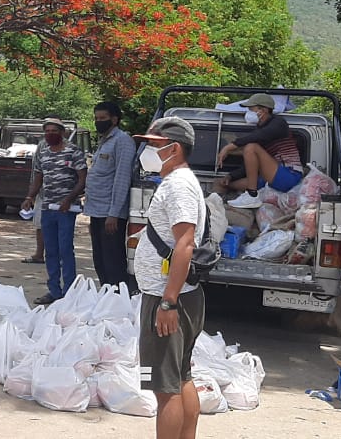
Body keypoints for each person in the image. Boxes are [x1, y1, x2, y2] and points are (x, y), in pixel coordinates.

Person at [134, 117, 206, 439]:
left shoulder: (178, 186)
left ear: (173, 149)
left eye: (154, 144)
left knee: (165, 389)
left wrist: (167, 301)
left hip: (168, 298)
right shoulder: (179, 183)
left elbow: (185, 244)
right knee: (180, 378)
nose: (147, 150)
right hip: (178, 295)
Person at [21, 118, 88, 305]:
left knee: (65, 249)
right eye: (47, 131)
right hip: (47, 208)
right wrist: (30, 197)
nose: (50, 134)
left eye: (54, 131)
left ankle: (70, 292)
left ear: (62, 132)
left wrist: (69, 198)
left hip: (67, 209)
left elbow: (82, 179)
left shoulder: (73, 151)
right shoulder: (43, 153)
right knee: (50, 250)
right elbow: (38, 178)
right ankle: (54, 291)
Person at [215, 93, 304, 209]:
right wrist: (230, 176)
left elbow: (256, 138)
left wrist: (229, 147)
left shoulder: (278, 123)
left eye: (251, 109)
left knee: (251, 147)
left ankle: (252, 195)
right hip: (270, 177)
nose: (249, 113)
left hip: (289, 174)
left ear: (264, 110)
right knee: (225, 184)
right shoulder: (260, 130)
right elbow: (250, 162)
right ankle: (237, 197)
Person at [86, 101, 138, 291]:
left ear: (114, 119)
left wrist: (114, 214)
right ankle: (106, 297)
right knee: (99, 259)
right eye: (97, 118)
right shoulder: (104, 141)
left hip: (111, 213)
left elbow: (122, 178)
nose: (98, 122)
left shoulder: (122, 141)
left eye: (103, 118)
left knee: (113, 261)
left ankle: (117, 299)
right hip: (97, 210)